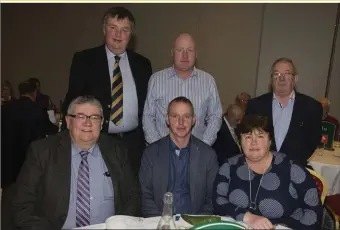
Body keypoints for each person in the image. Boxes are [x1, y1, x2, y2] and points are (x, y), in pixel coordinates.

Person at [12, 96, 140, 229]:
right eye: (80, 116)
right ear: (68, 121)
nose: (88, 123)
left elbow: (132, 197)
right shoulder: (42, 151)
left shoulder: (117, 150)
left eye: (94, 117)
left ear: (101, 123)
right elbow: (22, 206)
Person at [62, 6, 152, 176]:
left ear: (131, 35)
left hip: (133, 145)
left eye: (124, 30)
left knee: (129, 194)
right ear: (104, 30)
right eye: (113, 28)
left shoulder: (143, 65)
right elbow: (72, 102)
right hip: (97, 142)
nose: (118, 35)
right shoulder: (84, 60)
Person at [213, 115, 322, 230]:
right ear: (240, 141)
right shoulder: (229, 166)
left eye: (260, 136)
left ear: (270, 141)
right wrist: (247, 217)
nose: (253, 142)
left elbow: (314, 213)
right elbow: (218, 201)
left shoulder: (292, 169)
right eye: (248, 137)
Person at [139, 97, 218, 217]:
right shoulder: (151, 154)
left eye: (186, 116)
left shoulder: (208, 155)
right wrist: (163, 223)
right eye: (175, 116)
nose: (181, 122)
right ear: (167, 119)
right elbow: (145, 196)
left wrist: (194, 223)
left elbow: (212, 199)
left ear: (193, 120)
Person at [142, 32, 222, 146]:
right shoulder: (156, 79)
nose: (185, 55)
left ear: (196, 54)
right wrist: (157, 148)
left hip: (197, 153)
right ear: (172, 53)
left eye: (189, 50)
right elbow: (148, 116)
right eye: (180, 50)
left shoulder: (208, 81)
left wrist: (204, 146)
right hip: (162, 153)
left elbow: (215, 116)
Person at [246, 57, 322, 166]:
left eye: (287, 74)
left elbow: (313, 141)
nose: (281, 78)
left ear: (295, 78)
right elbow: (248, 138)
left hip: (294, 172)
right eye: (276, 74)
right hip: (260, 169)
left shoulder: (311, 107)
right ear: (271, 79)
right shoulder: (255, 105)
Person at [1, 80, 58, 187]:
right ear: (35, 92)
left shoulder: (5, 109)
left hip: (7, 160)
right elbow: (51, 130)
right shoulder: (37, 109)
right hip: (28, 160)